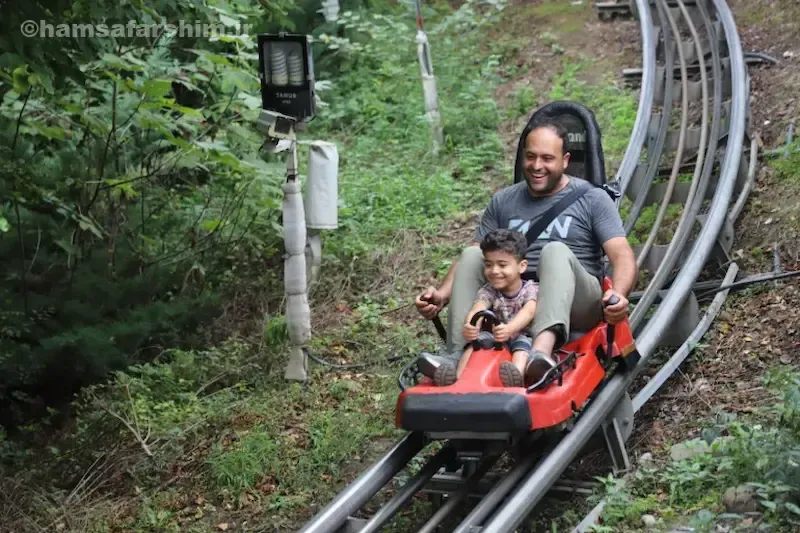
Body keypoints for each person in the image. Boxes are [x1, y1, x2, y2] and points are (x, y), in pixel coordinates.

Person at [415, 116, 638, 387]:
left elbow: (622, 255)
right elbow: (474, 252)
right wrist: (441, 294)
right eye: (531, 157)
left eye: (547, 158)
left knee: (555, 251)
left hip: (576, 300)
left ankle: (540, 355)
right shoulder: (504, 200)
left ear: (565, 160)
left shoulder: (592, 198)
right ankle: (454, 355)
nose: (537, 166)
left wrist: (618, 295)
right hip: (512, 297)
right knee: (473, 255)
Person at [434, 229, 539, 387]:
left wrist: (510, 329)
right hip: (494, 337)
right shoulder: (489, 290)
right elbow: (478, 308)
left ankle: (515, 378)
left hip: (519, 335)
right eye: (489, 265)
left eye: (502, 265)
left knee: (522, 349)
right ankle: (458, 378)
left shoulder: (530, 289)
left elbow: (529, 311)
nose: (494, 271)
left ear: (522, 266)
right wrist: (471, 325)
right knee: (473, 346)